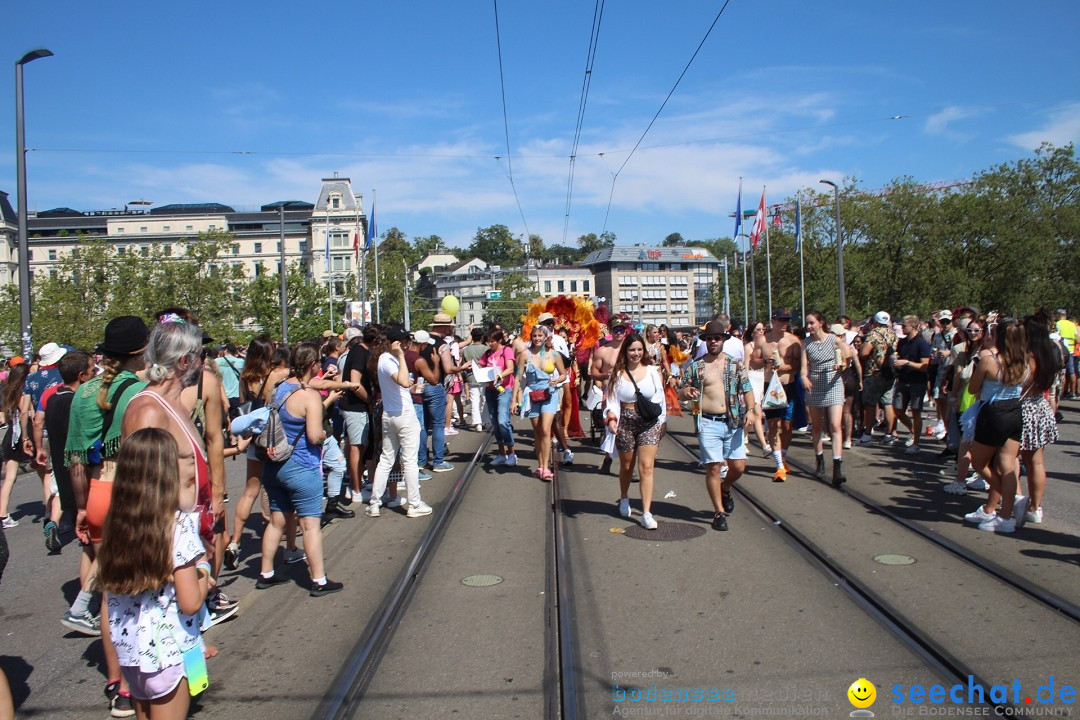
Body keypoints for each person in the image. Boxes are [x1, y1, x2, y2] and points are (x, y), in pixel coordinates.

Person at [64, 315, 150, 716]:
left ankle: (116, 682)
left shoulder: (83, 393)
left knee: (109, 593)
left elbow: (76, 461)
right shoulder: (136, 391)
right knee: (141, 587)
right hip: (125, 492)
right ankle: (142, 676)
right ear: (140, 351)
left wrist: (81, 506)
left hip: (96, 492)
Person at [96, 428, 210, 719]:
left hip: (132, 653)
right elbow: (190, 602)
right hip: (168, 652)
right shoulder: (177, 526)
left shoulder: (117, 524)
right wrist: (203, 572)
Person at [255, 342, 345, 595]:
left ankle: (266, 573)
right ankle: (318, 580)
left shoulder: (278, 389)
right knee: (310, 525)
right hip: (302, 467)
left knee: (277, 521)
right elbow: (315, 435)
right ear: (314, 365)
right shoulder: (309, 396)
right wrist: (323, 436)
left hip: (274, 466)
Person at [678, 319, 758, 531]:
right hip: (708, 423)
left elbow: (747, 389)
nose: (713, 342)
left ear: (723, 340)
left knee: (739, 466)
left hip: (732, 422)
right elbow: (681, 391)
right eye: (709, 338)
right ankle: (719, 512)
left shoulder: (734, 364)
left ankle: (725, 487)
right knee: (713, 468)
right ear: (705, 341)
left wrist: (750, 410)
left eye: (717, 338)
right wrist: (686, 393)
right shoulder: (696, 366)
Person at [224, 336, 290, 571]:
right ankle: (280, 536)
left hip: (253, 439)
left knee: (249, 491)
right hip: (271, 437)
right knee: (278, 487)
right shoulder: (273, 376)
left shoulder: (245, 378)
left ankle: (235, 541)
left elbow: (244, 408)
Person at [962, 319, 1029, 533]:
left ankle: (1009, 503)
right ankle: (1006, 516)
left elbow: (972, 389)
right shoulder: (1027, 362)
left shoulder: (990, 361)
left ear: (999, 337)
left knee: (980, 463)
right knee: (1008, 465)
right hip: (1015, 412)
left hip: (993, 414)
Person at [366, 327, 432, 519]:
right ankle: (414, 504)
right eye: (402, 341)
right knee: (409, 460)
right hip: (403, 415)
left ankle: (375, 503)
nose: (405, 344)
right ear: (393, 343)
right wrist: (402, 356)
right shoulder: (389, 359)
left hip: (391, 413)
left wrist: (410, 388)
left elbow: (401, 385)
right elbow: (403, 381)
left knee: (387, 459)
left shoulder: (385, 360)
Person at [602, 332, 665, 529]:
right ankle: (624, 497)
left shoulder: (652, 371)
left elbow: (659, 397)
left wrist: (661, 422)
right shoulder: (617, 374)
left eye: (639, 349)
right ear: (626, 352)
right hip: (626, 423)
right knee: (627, 467)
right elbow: (612, 401)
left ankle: (646, 512)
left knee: (646, 467)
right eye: (632, 350)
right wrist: (611, 418)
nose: (636, 353)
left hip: (648, 422)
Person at [38, 350, 95, 553]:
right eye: (92, 369)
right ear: (81, 376)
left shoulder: (54, 398)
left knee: (90, 547)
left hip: (64, 475)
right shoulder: (75, 401)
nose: (96, 372)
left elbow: (40, 423)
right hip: (79, 476)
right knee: (95, 543)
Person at [1017, 311, 1061, 525]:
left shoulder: (1027, 355)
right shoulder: (1050, 354)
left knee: (1011, 458)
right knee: (1036, 461)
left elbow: (1020, 382)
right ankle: (1036, 507)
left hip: (1024, 407)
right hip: (1040, 407)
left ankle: (1016, 502)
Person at [512, 325, 566, 481]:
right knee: (537, 432)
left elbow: (564, 374)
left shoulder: (554, 355)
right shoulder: (525, 355)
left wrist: (556, 380)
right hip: (532, 395)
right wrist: (514, 400)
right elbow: (518, 377)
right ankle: (540, 465)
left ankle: (546, 468)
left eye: (540, 335)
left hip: (549, 394)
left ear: (546, 337)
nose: (537, 338)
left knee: (545, 429)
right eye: (534, 335)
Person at [753, 309, 801, 481]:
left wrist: (785, 366)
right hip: (771, 387)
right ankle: (779, 465)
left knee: (787, 426)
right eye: (781, 319)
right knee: (774, 425)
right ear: (773, 320)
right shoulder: (762, 340)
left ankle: (783, 455)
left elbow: (799, 364)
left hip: (788, 385)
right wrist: (765, 362)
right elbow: (753, 361)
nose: (785, 322)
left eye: (787, 320)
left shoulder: (793, 341)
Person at [801, 312, 847, 487]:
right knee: (817, 426)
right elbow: (804, 368)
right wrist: (804, 377)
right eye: (807, 323)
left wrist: (841, 364)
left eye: (812, 323)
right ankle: (819, 460)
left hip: (833, 383)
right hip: (815, 384)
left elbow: (846, 357)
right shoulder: (805, 344)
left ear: (821, 323)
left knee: (835, 425)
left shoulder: (833, 339)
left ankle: (837, 466)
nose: (809, 326)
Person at [590, 316, 629, 473]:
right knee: (611, 428)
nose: (619, 332)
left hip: (629, 394)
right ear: (611, 331)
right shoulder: (603, 351)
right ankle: (608, 457)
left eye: (621, 330)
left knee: (627, 428)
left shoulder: (631, 349)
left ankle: (627, 465)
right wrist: (606, 376)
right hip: (610, 393)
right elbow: (594, 372)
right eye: (616, 330)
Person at [891, 315, 933, 454]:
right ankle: (913, 431)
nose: (902, 328)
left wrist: (907, 363)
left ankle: (916, 442)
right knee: (898, 410)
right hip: (903, 379)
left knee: (916, 411)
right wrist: (896, 363)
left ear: (913, 327)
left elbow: (924, 366)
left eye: (904, 326)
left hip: (917, 381)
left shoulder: (922, 343)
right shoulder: (902, 342)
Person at [857, 311, 898, 445]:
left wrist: (861, 348)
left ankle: (868, 434)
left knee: (870, 404)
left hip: (874, 373)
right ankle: (889, 434)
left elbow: (864, 353)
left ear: (875, 321)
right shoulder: (893, 334)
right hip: (890, 373)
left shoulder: (873, 334)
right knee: (887, 403)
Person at [478, 330, 517, 466]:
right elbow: (481, 365)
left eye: (492, 341)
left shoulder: (506, 350)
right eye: (488, 341)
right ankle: (501, 453)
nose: (490, 344)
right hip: (490, 390)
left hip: (504, 389)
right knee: (494, 422)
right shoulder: (488, 353)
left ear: (499, 340)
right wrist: (478, 370)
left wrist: (499, 376)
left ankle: (511, 452)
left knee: (502, 421)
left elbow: (511, 368)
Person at [0, 363, 31, 528]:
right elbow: (25, 412)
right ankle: (3, 515)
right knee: (11, 477)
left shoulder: (7, 390)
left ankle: (3, 514)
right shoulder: (21, 393)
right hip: (17, 437)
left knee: (10, 478)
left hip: (10, 436)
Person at [461, 328, 488, 432]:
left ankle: (477, 423)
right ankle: (485, 420)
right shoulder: (485, 349)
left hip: (471, 376)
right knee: (484, 400)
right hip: (483, 376)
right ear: (482, 337)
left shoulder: (466, 350)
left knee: (474, 400)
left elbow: (463, 363)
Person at [215, 343, 245, 418]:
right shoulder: (240, 361)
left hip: (222, 395)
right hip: (236, 395)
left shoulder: (216, 362)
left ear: (225, 350)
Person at [1056, 308, 1076, 399]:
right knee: (1072, 372)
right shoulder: (1072, 325)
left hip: (1061, 351)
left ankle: (1061, 393)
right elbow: (1078, 338)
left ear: (1059, 315)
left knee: (1062, 373)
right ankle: (1072, 392)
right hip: (1071, 351)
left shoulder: (1058, 324)